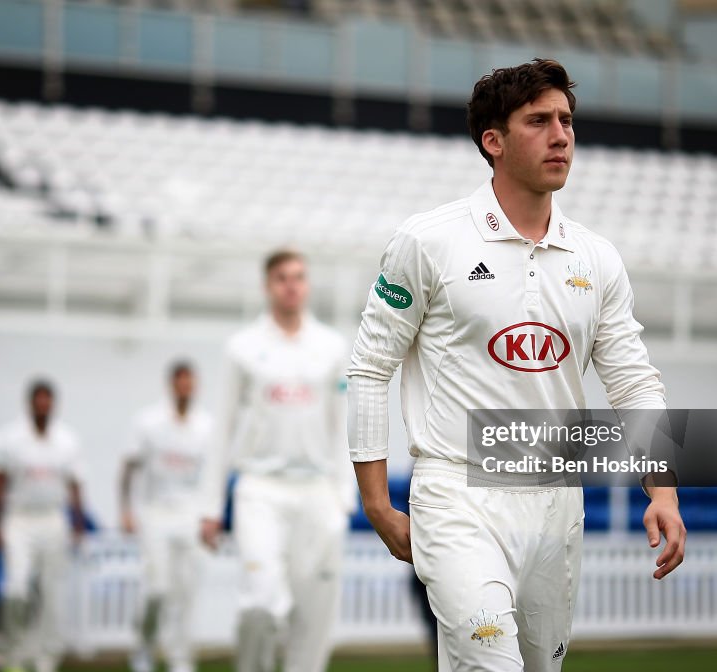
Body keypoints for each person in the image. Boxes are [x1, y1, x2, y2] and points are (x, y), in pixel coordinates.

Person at [346, 58, 687, 672]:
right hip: (456, 491)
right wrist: (375, 501)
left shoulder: (598, 259)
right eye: (539, 121)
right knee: (487, 657)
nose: (561, 134)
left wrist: (662, 489)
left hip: (557, 501)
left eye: (566, 120)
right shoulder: (428, 241)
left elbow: (633, 379)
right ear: (493, 141)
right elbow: (371, 366)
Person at [201, 249, 355, 672]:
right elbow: (222, 431)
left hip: (317, 492)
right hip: (260, 490)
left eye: (300, 277)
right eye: (283, 277)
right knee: (261, 602)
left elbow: (341, 425)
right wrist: (210, 507)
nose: (292, 284)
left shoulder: (331, 347)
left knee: (315, 611)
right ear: (268, 286)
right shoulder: (243, 348)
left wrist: (343, 497)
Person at [121, 360, 214, 672]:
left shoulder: (206, 426)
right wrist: (125, 511)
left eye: (190, 382)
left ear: (195, 386)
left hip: (191, 515)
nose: (185, 388)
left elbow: (212, 477)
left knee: (186, 591)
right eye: (180, 382)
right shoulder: (148, 421)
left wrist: (211, 517)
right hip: (155, 513)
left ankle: (180, 659)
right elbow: (129, 468)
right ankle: (144, 649)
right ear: (171, 385)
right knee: (157, 589)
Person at [0, 380, 87, 672]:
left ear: (53, 405)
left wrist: (78, 523)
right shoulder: (11, 437)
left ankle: (47, 657)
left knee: (50, 591)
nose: (43, 406)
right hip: (19, 519)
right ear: (29, 403)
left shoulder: (67, 439)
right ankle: (16, 654)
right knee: (16, 589)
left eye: (48, 401)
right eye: (38, 400)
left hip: (53, 519)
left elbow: (75, 484)